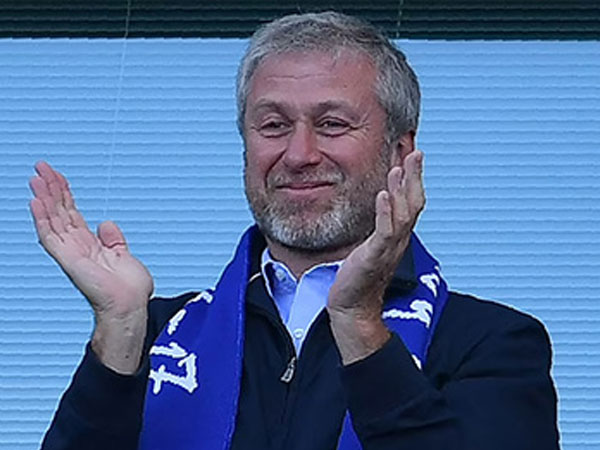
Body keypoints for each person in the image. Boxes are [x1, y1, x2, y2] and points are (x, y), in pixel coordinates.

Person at [30, 11, 560, 450]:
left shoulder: (491, 343)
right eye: (274, 125)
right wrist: (121, 330)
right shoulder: (153, 337)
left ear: (400, 151)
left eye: (332, 124)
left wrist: (360, 326)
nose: (299, 154)